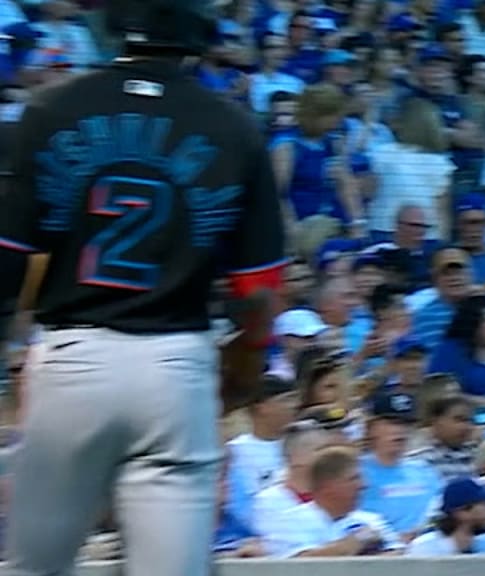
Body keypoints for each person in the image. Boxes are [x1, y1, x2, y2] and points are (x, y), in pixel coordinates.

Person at [0, 2, 287, 575]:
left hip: (71, 360)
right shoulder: (232, 125)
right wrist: (242, 371)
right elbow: (258, 292)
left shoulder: (50, 109)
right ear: (198, 42)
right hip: (176, 365)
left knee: (33, 567)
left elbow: (7, 258)